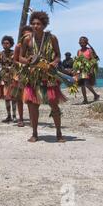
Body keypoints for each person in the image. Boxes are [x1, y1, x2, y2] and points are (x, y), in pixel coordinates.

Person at [19, 11, 66, 143]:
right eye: (33, 23)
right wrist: (28, 61)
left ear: (44, 25)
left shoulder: (52, 38)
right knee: (33, 106)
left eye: (38, 24)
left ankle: (59, 132)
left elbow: (58, 55)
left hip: (49, 77)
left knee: (54, 105)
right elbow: (20, 57)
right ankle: (34, 133)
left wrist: (53, 63)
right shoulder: (27, 39)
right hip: (33, 77)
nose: (35, 26)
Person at [12, 26, 33, 127]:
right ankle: (20, 118)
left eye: (29, 34)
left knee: (30, 97)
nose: (27, 36)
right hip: (20, 74)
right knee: (19, 97)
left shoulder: (35, 46)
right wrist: (23, 64)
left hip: (32, 73)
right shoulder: (18, 46)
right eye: (25, 34)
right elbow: (15, 60)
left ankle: (32, 118)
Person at [0, 36, 18, 123]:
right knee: (6, 97)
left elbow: (17, 64)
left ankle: (15, 116)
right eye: (4, 43)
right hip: (4, 78)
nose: (5, 45)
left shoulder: (15, 53)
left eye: (7, 43)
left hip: (13, 77)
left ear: (11, 44)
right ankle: (9, 115)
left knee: (14, 97)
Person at [75, 36, 100, 104]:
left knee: (86, 83)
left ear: (86, 43)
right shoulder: (78, 51)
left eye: (83, 42)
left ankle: (95, 94)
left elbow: (93, 60)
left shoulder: (89, 50)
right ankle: (85, 99)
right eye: (80, 42)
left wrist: (91, 69)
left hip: (87, 69)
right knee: (82, 85)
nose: (81, 43)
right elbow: (77, 61)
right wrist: (76, 71)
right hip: (81, 70)